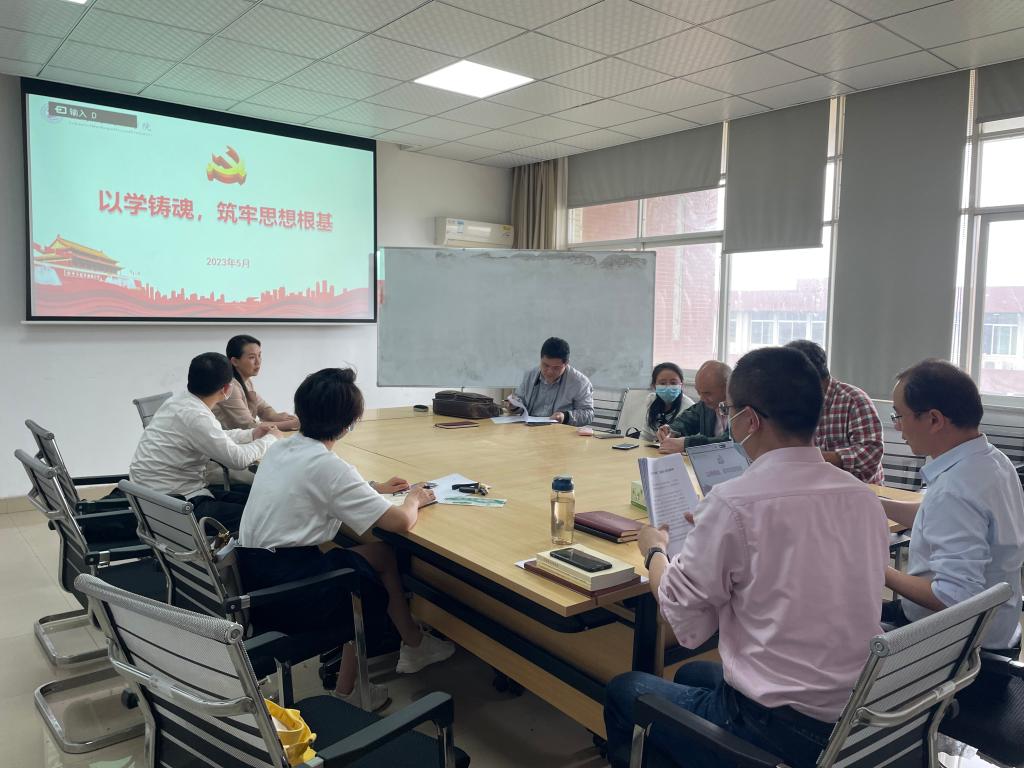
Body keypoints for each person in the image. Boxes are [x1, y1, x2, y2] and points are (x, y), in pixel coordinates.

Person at [604, 347, 890, 768]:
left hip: (779, 730)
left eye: (729, 411)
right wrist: (715, 534)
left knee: (624, 689)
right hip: (854, 717)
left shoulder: (734, 503)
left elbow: (684, 618)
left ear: (750, 420)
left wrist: (654, 550)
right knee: (690, 674)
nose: (727, 420)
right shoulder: (863, 498)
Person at [237, 368, 456, 711]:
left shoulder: (282, 448)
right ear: (349, 424)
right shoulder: (330, 467)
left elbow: (319, 486)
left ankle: (413, 644)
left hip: (255, 575)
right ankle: (348, 689)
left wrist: (373, 488)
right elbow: (399, 521)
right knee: (362, 584)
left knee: (380, 555)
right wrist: (414, 498)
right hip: (291, 593)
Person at [881, 359, 1024, 651]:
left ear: (934, 420)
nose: (897, 426)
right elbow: (939, 518)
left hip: (959, 648)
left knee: (841, 632)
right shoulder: (991, 460)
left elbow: (953, 597)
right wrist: (876, 503)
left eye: (899, 415)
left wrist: (877, 569)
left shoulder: (956, 489)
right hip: (998, 628)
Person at [129, 352, 280, 531]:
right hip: (177, 506)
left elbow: (213, 435)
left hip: (156, 498)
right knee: (264, 514)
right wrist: (271, 439)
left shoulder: (178, 402)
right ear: (227, 389)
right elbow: (238, 460)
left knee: (260, 501)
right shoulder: (196, 416)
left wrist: (252, 434)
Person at [785, 339, 884, 484]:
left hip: (858, 490)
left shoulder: (854, 400)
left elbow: (870, 455)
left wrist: (814, 458)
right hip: (813, 488)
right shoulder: (791, 403)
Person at [214, 334, 300, 431]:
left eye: (259, 355)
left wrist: (276, 416)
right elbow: (249, 425)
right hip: (228, 438)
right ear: (235, 361)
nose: (258, 362)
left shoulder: (246, 381)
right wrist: (290, 424)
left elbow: (263, 408)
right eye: (252, 357)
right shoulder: (230, 386)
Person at [508, 337, 594, 426]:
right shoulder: (530, 375)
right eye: (545, 365)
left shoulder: (580, 382)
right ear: (540, 359)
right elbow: (520, 402)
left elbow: (588, 414)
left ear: (566, 363)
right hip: (528, 428)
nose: (549, 372)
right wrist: (514, 406)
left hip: (559, 431)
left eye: (556, 368)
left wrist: (565, 417)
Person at [657, 360, 730, 453]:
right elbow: (687, 420)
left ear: (727, 387)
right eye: (699, 393)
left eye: (707, 393)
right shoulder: (705, 405)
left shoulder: (742, 409)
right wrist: (671, 430)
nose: (702, 399)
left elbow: (730, 441)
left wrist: (687, 444)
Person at [639, 362, 695, 442]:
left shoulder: (689, 408)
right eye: (662, 383)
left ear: (681, 385)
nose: (668, 386)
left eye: (673, 383)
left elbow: (690, 442)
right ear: (654, 385)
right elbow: (646, 435)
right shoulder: (651, 400)